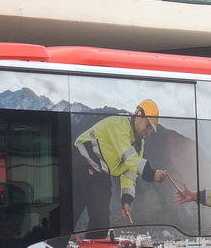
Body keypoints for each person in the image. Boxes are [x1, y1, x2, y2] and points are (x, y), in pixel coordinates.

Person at [73, 99, 170, 231]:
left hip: (100, 171)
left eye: (151, 130)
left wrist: (126, 201)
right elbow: (129, 158)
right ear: (138, 114)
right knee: (72, 211)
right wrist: (152, 174)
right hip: (80, 160)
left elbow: (130, 172)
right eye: (147, 126)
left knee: (101, 220)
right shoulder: (120, 124)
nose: (148, 132)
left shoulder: (139, 144)